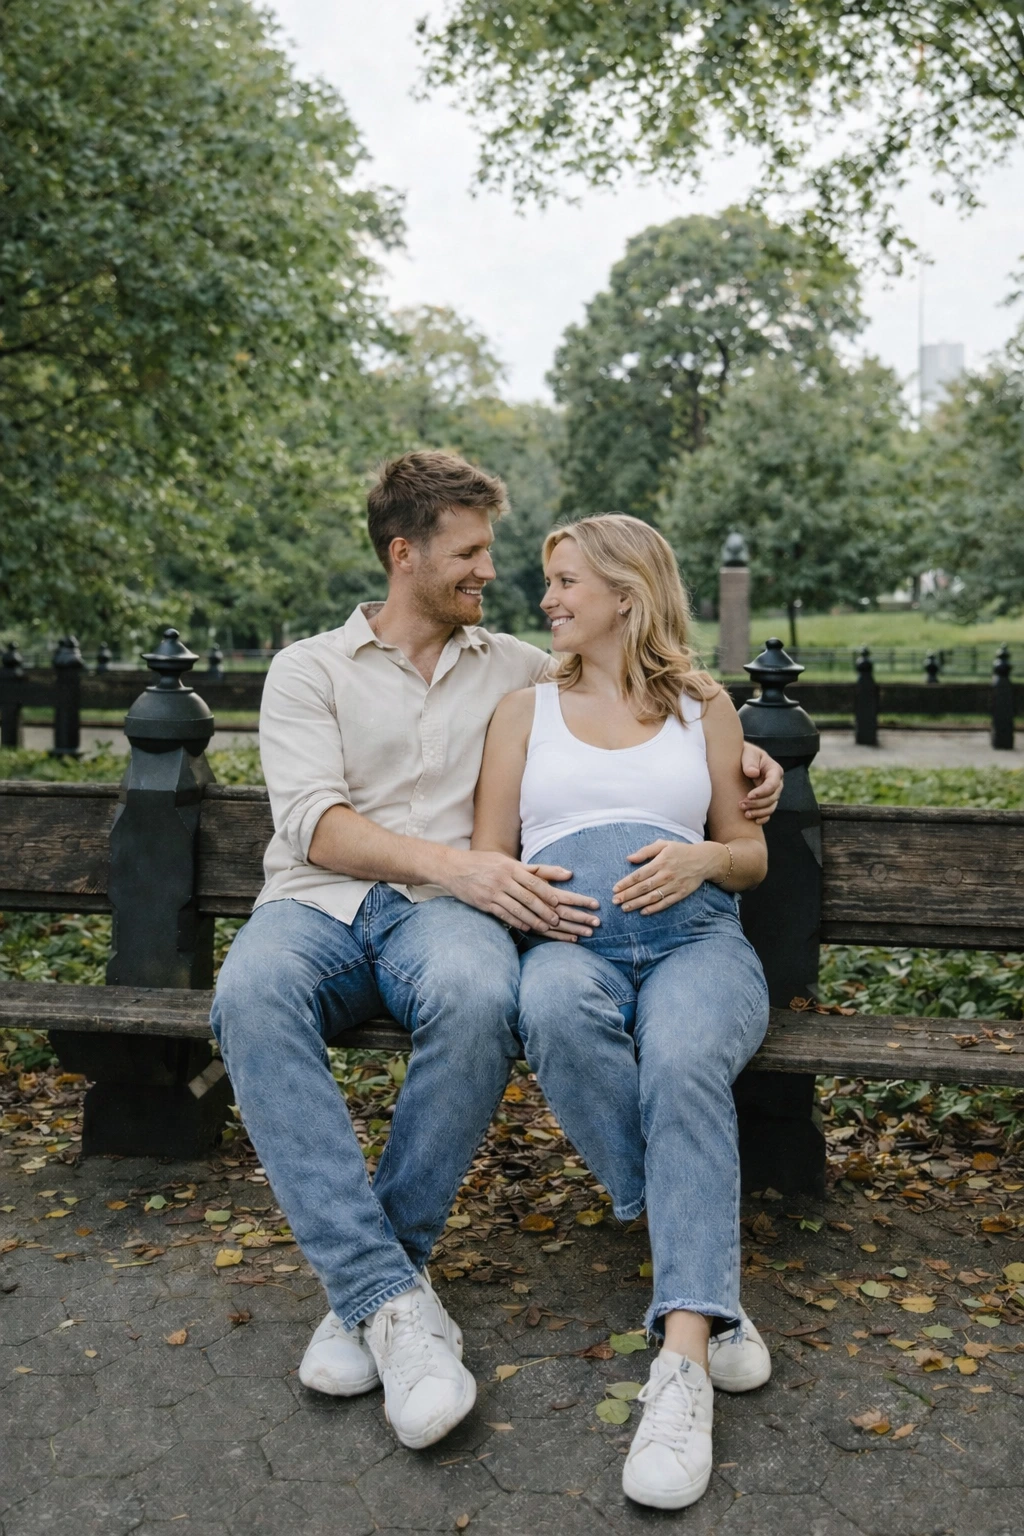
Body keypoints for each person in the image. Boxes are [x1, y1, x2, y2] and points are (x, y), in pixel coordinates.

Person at [211, 453, 783, 1453]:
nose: (496, 574)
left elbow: (647, 689)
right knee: (248, 997)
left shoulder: (519, 663)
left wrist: (746, 756)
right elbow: (314, 824)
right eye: (470, 553)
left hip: (454, 916)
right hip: (322, 904)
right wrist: (465, 867)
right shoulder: (309, 669)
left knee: (480, 997)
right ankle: (385, 1297)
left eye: (509, 559)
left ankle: (666, 1290)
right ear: (406, 554)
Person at [472, 513, 772, 1509]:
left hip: (695, 942)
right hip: (569, 948)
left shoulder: (702, 705)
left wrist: (700, 857)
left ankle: (682, 1361)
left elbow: (750, 855)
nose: (548, 597)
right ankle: (698, 1255)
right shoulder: (522, 712)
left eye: (564, 582)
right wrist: (522, 896)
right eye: (548, 582)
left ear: (626, 595)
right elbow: (489, 858)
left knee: (683, 1056)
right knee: (551, 1013)